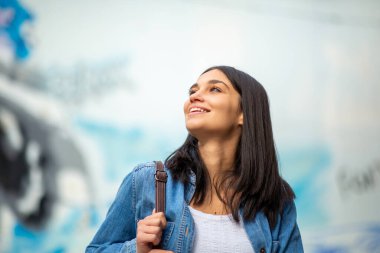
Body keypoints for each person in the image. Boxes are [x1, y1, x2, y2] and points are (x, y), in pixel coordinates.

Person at [86, 66, 303, 253]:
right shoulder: (146, 181)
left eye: (215, 89)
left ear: (244, 113)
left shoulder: (277, 200)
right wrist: (137, 249)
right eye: (193, 90)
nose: (194, 96)